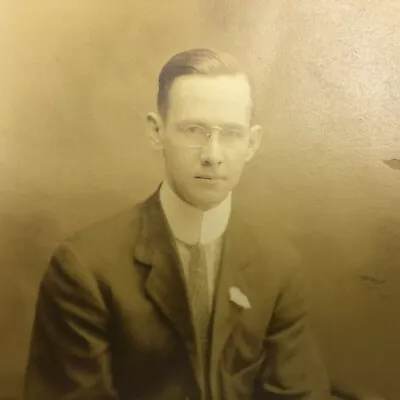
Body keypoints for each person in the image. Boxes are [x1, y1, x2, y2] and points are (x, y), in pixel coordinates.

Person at [24, 48, 330, 399]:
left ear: (252, 142)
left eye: (230, 133)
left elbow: (298, 393)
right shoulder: (85, 268)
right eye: (194, 129)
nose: (212, 155)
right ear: (157, 131)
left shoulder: (277, 264)